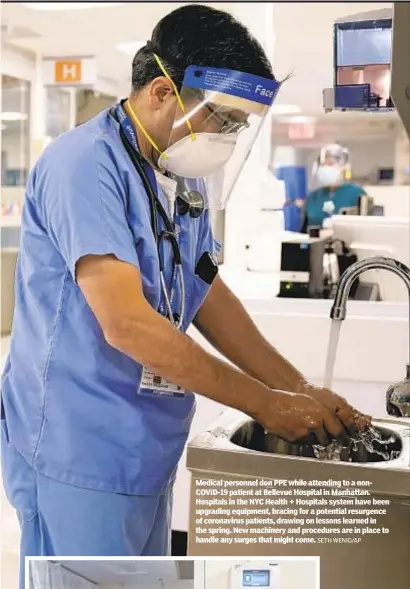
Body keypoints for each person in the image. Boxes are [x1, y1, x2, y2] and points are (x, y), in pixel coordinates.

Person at [1, 4, 369, 582]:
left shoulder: (178, 177)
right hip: (81, 444)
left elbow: (206, 294)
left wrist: (299, 388)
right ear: (160, 93)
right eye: (221, 118)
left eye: (237, 125)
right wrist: (264, 404)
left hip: (145, 442)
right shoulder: (84, 164)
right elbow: (127, 324)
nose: (225, 136)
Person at [301, 143, 367, 231]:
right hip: (315, 243)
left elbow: (366, 228)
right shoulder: (313, 197)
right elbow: (304, 230)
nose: (325, 168)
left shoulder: (357, 194)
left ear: (342, 167)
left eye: (330, 164)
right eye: (322, 165)